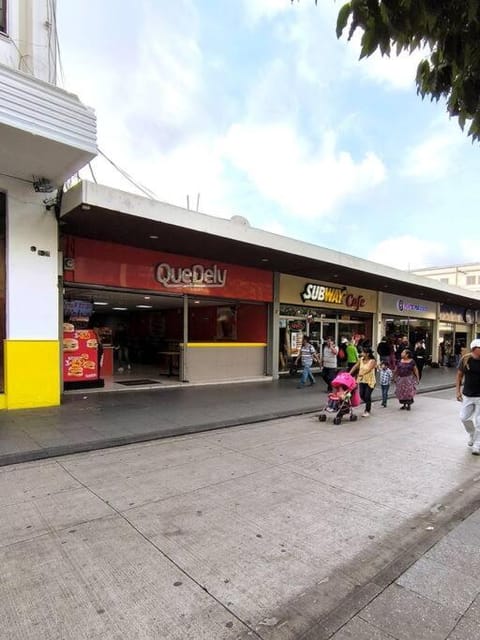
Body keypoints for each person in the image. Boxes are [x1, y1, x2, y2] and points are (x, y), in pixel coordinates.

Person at [456, 339, 480, 455]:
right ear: (474, 349)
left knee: (479, 421)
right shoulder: (465, 359)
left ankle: (477, 445)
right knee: (464, 417)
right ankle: (472, 434)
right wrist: (458, 391)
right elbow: (459, 376)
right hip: (468, 394)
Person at [349, 348, 377, 417]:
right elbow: (355, 366)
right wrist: (349, 373)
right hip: (362, 380)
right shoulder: (361, 359)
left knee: (367, 395)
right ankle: (369, 403)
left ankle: (367, 410)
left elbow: (369, 369)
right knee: (361, 395)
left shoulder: (372, 361)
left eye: (363, 352)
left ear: (367, 354)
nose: (361, 354)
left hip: (370, 381)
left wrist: (362, 373)